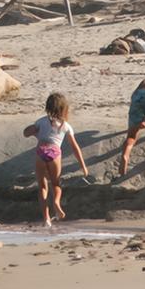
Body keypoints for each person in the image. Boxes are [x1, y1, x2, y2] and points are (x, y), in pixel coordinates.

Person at [23, 92, 88, 227]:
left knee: (42, 186)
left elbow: (26, 133)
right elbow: (75, 147)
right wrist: (83, 166)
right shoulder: (65, 126)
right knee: (56, 184)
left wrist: (32, 131)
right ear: (64, 109)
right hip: (55, 154)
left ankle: (46, 218)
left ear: (47, 107)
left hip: (41, 152)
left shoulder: (41, 122)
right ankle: (56, 202)